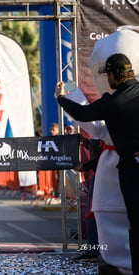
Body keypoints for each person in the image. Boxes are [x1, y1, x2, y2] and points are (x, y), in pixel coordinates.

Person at [56, 53, 139, 274]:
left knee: (136, 221)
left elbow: (82, 113)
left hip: (131, 167)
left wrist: (62, 98)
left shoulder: (113, 101)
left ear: (113, 75)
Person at [72, 137, 103, 261]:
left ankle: (95, 250)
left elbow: (104, 155)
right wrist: (88, 143)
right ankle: (93, 249)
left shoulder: (105, 130)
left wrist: (85, 166)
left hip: (105, 175)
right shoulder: (97, 131)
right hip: (98, 174)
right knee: (92, 213)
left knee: (95, 213)